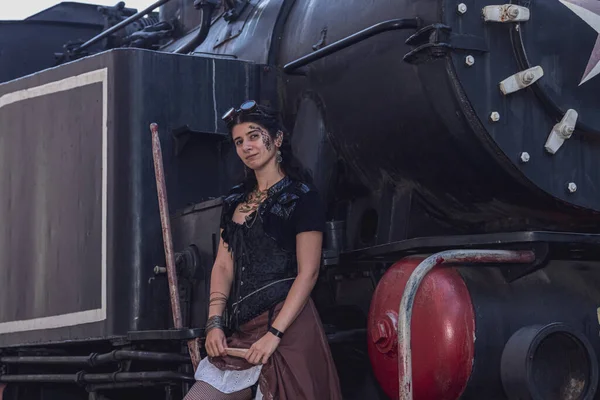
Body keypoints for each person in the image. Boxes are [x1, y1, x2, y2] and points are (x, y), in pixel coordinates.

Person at [184, 101, 342, 400]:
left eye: (254, 136)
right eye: (239, 141)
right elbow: (223, 266)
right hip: (241, 331)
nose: (247, 147)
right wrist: (214, 323)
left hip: (289, 329)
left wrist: (275, 335)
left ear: (277, 139)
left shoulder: (302, 197)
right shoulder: (233, 202)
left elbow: (308, 273)